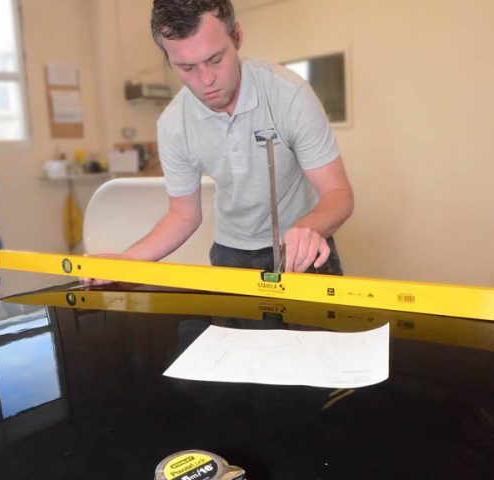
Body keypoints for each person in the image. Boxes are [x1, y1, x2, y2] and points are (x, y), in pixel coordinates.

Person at [85, 0, 353, 285]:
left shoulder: (290, 96)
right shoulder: (174, 125)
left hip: (302, 249)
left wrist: (309, 228)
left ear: (237, 37)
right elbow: (183, 215)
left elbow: (338, 193)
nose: (206, 80)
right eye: (187, 67)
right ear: (168, 60)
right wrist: (127, 262)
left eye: (215, 59)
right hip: (230, 256)